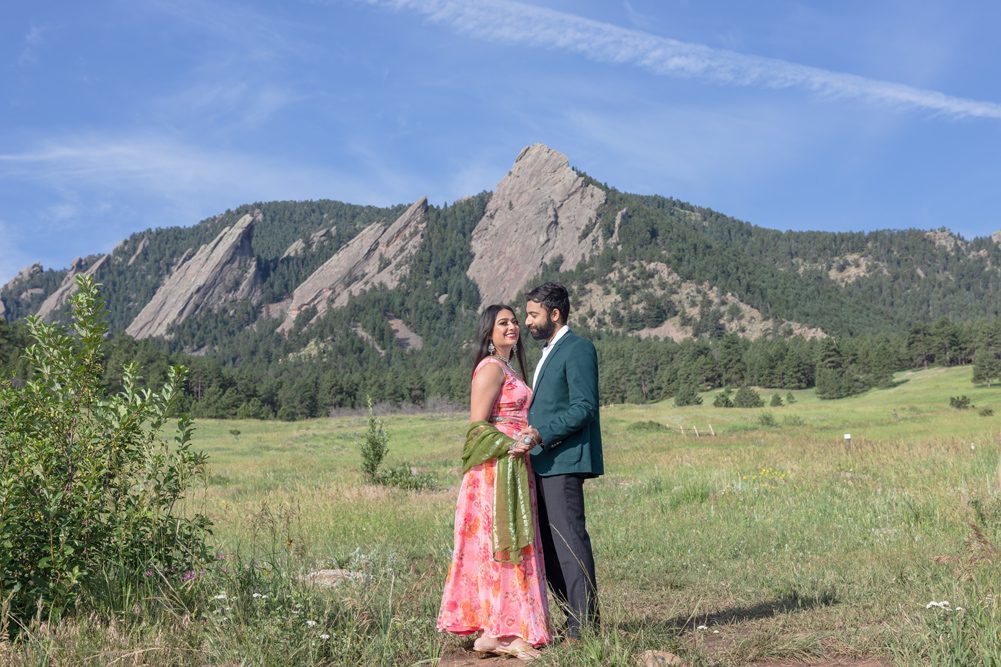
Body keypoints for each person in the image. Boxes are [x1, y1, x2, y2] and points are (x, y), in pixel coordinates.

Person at [437, 304, 551, 660]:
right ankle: (502, 631)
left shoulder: (508, 367)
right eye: (504, 322)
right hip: (495, 472)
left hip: (515, 466)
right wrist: (510, 444)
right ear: (489, 332)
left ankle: (498, 629)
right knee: (500, 545)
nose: (513, 326)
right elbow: (476, 428)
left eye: (515, 321)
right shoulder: (489, 368)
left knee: (512, 543)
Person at [511, 282, 603, 642]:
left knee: (569, 543)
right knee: (548, 548)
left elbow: (584, 407)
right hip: (543, 462)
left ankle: (586, 628)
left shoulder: (578, 348)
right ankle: (574, 618)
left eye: (533, 315)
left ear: (554, 314)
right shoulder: (549, 352)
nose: (527, 322)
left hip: (563, 460)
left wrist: (540, 434)